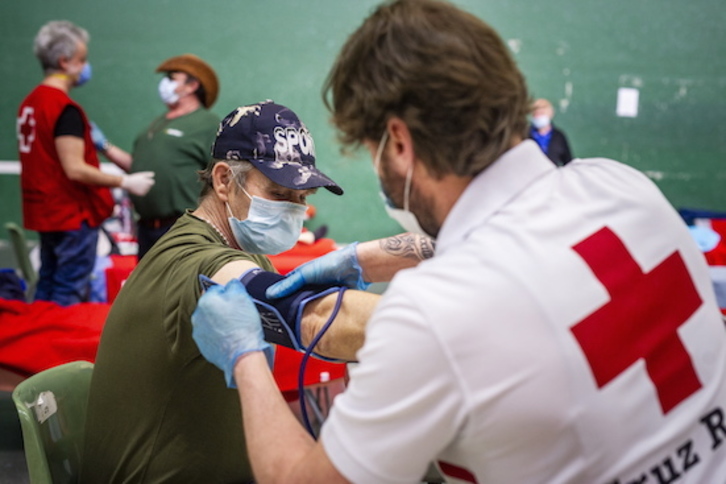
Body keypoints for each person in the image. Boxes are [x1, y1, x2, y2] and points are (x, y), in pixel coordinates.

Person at [190, 1, 726, 482]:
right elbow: (520, 239)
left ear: (398, 142)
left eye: (373, 148)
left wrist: (246, 357)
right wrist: (369, 258)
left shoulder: (433, 315)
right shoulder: (619, 184)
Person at [79, 100, 432, 483]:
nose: (294, 211)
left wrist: (373, 256)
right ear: (224, 181)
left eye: (303, 199)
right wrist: (454, 330)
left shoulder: (241, 252)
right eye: (280, 194)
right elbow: (319, 320)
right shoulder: (196, 261)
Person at [15, 20, 155, 306]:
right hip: (70, 215)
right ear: (65, 62)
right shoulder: (63, 108)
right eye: (82, 60)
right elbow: (75, 169)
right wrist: (124, 181)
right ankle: (60, 350)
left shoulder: (31, 103)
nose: (85, 67)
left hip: (47, 213)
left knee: (48, 285)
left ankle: (40, 346)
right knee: (68, 293)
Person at [94, 54, 221, 259]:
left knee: (179, 288)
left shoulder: (207, 124)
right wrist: (104, 146)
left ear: (192, 85)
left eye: (172, 78)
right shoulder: (155, 125)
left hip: (182, 228)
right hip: (146, 229)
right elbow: (136, 169)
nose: (165, 83)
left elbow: (222, 175)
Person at [528, 97, 573, 166]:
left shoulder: (559, 136)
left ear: (551, 113)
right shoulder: (524, 136)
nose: (539, 116)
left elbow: (568, 162)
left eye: (542, 113)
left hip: (552, 175)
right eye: (536, 114)